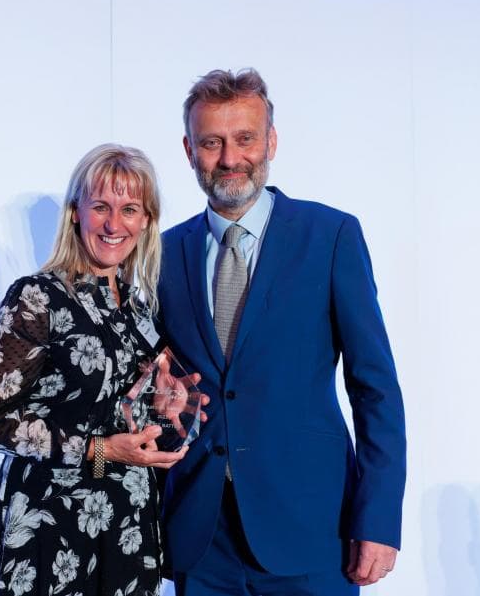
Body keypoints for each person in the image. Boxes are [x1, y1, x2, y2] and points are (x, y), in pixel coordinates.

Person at [157, 69, 407, 595]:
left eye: (245, 138)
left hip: (312, 533)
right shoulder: (163, 254)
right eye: (211, 142)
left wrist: (378, 519)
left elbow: (375, 388)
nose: (230, 158)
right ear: (188, 150)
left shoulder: (331, 235)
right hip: (201, 542)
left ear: (271, 140)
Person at [0, 143, 194, 596]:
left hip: (129, 529)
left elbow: (128, 415)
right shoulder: (36, 299)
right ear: (75, 213)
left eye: (130, 209)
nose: (115, 224)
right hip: (51, 530)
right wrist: (100, 450)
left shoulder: (141, 310)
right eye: (101, 208)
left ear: (146, 220)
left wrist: (168, 409)